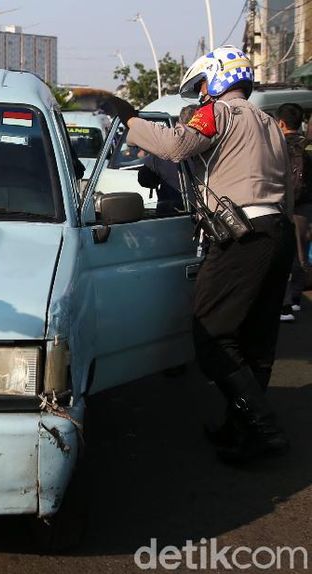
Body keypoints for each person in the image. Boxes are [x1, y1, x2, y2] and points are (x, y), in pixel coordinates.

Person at [103, 46, 294, 463]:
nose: (202, 94)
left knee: (211, 337)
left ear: (218, 79)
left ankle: (264, 429)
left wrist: (129, 118)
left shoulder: (219, 114)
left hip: (243, 236)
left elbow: (174, 147)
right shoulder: (269, 124)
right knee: (255, 342)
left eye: (204, 85)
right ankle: (241, 431)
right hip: (278, 233)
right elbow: (289, 191)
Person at [276, 103, 311, 322]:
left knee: (284, 256)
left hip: (284, 206)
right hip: (307, 207)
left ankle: (285, 306)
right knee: (302, 253)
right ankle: (296, 299)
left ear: (281, 123)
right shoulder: (308, 145)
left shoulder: (277, 145)